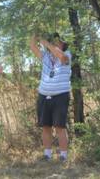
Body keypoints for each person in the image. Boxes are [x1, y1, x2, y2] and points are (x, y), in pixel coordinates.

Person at [30, 32, 71, 162]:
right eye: (53, 41)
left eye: (57, 42)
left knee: (60, 127)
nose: (54, 43)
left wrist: (46, 43)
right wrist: (34, 35)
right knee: (46, 126)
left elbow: (60, 55)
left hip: (60, 96)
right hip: (43, 95)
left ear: (63, 44)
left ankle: (63, 156)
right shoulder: (46, 56)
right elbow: (33, 47)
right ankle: (47, 154)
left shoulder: (67, 55)